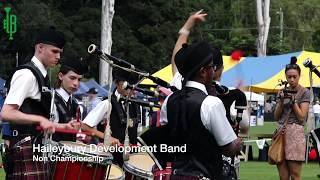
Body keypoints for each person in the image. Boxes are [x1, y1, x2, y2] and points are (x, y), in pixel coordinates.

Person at [0, 27, 78, 179]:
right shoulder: (26, 74)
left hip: (37, 146)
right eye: (55, 51)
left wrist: (62, 126)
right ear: (40, 48)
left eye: (60, 52)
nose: (58, 56)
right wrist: (40, 119)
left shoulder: (43, 76)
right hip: (24, 147)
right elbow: (6, 113)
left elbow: (36, 117)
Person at [158, 40, 243, 179]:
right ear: (203, 72)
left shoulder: (169, 101)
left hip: (177, 175)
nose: (213, 71)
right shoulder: (211, 104)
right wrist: (238, 144)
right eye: (212, 67)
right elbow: (228, 149)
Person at [81, 68, 140, 166]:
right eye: (127, 84)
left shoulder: (135, 105)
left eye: (133, 85)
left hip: (130, 161)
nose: (131, 89)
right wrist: (107, 138)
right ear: (116, 83)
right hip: (111, 162)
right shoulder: (107, 103)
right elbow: (84, 126)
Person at [274, 56, 310, 180]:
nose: (292, 79)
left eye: (295, 76)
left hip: (296, 134)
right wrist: (281, 100)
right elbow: (276, 116)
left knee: (295, 175)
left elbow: (301, 116)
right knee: (283, 176)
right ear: (286, 77)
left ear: (299, 76)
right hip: (281, 133)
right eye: (289, 77)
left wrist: (293, 101)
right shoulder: (282, 91)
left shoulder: (304, 92)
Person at [52, 58, 88, 142]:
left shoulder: (76, 104)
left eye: (79, 79)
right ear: (61, 76)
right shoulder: (51, 99)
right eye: (72, 78)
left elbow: (77, 135)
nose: (76, 83)